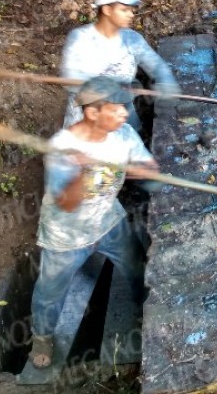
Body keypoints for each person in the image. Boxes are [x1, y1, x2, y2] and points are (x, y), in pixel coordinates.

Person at [28, 76, 158, 369]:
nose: (125, 114)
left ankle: (147, 309)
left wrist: (144, 171)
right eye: (117, 109)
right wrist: (81, 172)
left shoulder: (124, 135)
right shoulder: (62, 148)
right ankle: (42, 337)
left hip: (107, 222)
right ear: (93, 112)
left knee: (137, 265)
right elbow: (66, 202)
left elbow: (147, 168)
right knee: (50, 292)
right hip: (65, 235)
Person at [60, 0, 181, 131]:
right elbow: (72, 80)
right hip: (87, 122)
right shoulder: (81, 38)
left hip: (124, 119)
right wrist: (114, 87)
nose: (131, 14)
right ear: (107, 10)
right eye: (124, 10)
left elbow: (156, 65)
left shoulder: (132, 39)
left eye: (131, 10)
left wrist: (165, 80)